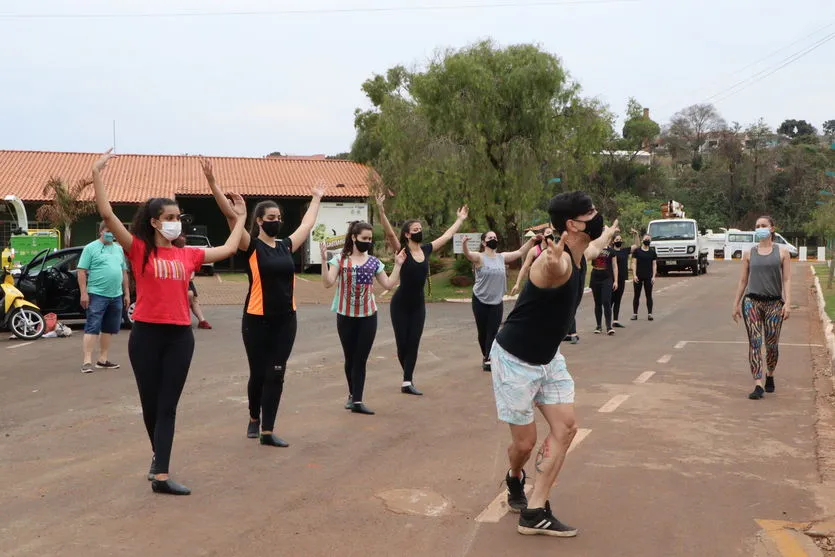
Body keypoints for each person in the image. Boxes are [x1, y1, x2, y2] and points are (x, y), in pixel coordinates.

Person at [92, 149, 247, 496]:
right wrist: (97, 173)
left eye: (179, 216)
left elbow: (229, 248)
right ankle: (157, 457)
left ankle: (161, 473)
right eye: (171, 216)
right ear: (155, 222)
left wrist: (240, 218)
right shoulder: (138, 249)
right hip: (145, 336)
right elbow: (106, 212)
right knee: (150, 405)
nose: (178, 221)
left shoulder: (187, 254)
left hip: (179, 336)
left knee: (167, 405)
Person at [491, 191, 618, 537]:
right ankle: (515, 476)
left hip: (549, 360)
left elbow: (592, 249)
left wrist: (609, 234)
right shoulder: (557, 265)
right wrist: (551, 258)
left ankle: (535, 511)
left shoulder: (580, 253)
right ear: (572, 224)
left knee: (566, 428)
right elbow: (553, 268)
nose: (597, 216)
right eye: (590, 213)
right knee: (524, 444)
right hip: (515, 360)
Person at [202, 159, 325, 446]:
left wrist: (316, 198)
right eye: (270, 216)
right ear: (259, 221)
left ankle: (268, 430)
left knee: (277, 373)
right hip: (256, 319)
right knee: (258, 373)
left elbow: (307, 224)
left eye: (278, 216)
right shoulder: (252, 246)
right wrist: (212, 184)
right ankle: (254, 417)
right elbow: (232, 218)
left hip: (286, 319)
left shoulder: (286, 245)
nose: (276, 220)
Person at [376, 193, 468, 395]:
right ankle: (407, 374)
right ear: (407, 234)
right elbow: (390, 233)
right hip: (399, 304)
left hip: (418, 305)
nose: (419, 232)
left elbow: (446, 237)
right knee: (402, 343)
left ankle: (407, 381)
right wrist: (381, 210)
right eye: (415, 230)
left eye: (420, 229)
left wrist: (459, 220)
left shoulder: (426, 249)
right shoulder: (402, 250)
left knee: (414, 342)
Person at [320, 222, 406, 415]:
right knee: (350, 358)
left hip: (368, 316)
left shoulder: (375, 262)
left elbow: (389, 284)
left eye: (370, 239)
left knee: (360, 359)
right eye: (364, 238)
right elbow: (327, 283)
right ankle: (352, 395)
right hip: (345, 316)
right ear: (353, 238)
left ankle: (358, 400)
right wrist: (324, 261)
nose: (367, 242)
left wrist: (398, 265)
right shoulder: (340, 260)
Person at [732, 216, 791, 400]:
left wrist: (788, 302)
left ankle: (770, 374)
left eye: (763, 225)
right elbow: (743, 280)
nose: (760, 228)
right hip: (752, 302)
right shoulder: (749, 253)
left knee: (771, 344)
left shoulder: (782, 252)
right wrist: (735, 303)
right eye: (757, 226)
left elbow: (787, 279)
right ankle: (758, 383)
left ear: (772, 228)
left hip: (774, 303)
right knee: (755, 342)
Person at [462, 232, 538, 371]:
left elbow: (520, 252)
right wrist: (464, 244)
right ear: (484, 243)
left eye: (495, 237)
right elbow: (468, 255)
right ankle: (486, 354)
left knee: (493, 331)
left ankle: (489, 358)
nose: (493, 239)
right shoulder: (480, 257)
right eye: (490, 238)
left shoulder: (501, 257)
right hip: (480, 299)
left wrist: (532, 241)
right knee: (482, 332)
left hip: (496, 301)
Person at [77, 221, 130, 373]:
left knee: (109, 328)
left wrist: (126, 293)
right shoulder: (90, 248)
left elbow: (124, 272)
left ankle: (103, 359)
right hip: (97, 294)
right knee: (93, 326)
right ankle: (87, 361)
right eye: (108, 230)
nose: (111, 233)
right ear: (100, 231)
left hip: (116, 295)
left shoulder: (119, 249)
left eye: (113, 231)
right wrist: (84, 293)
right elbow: (81, 271)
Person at [172, 235, 211, 330]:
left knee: (194, 299)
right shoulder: (171, 252)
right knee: (188, 296)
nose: (183, 243)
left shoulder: (187, 252)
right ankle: (182, 318)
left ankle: (202, 320)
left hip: (187, 280)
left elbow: (192, 266)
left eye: (184, 242)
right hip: (177, 280)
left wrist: (191, 275)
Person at [510, 227, 553, 297]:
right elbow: (525, 267)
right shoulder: (534, 250)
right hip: (534, 283)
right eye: (548, 233)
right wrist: (517, 284)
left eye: (552, 233)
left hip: (548, 285)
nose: (550, 235)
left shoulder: (554, 250)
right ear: (542, 235)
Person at [589, 239, 618, 335]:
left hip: (607, 277)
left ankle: (609, 327)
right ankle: (598, 326)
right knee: (597, 302)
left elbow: (614, 266)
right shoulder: (594, 248)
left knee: (606, 301)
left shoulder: (611, 251)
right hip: (595, 275)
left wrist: (616, 281)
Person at [630, 233, 657, 321]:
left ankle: (650, 314)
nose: (647, 241)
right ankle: (635, 314)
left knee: (649, 295)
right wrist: (634, 275)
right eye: (646, 239)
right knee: (636, 295)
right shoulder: (637, 251)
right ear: (642, 240)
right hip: (638, 276)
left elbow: (654, 265)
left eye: (649, 240)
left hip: (648, 277)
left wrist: (653, 276)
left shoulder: (652, 252)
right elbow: (633, 263)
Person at [610, 234, 630, 328]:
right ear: (613, 241)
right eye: (617, 239)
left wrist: (636, 235)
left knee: (618, 300)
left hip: (622, 279)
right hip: (611, 279)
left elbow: (637, 246)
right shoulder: (610, 251)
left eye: (620, 239)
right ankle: (607, 321)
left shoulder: (624, 251)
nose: (619, 241)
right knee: (610, 301)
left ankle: (615, 320)